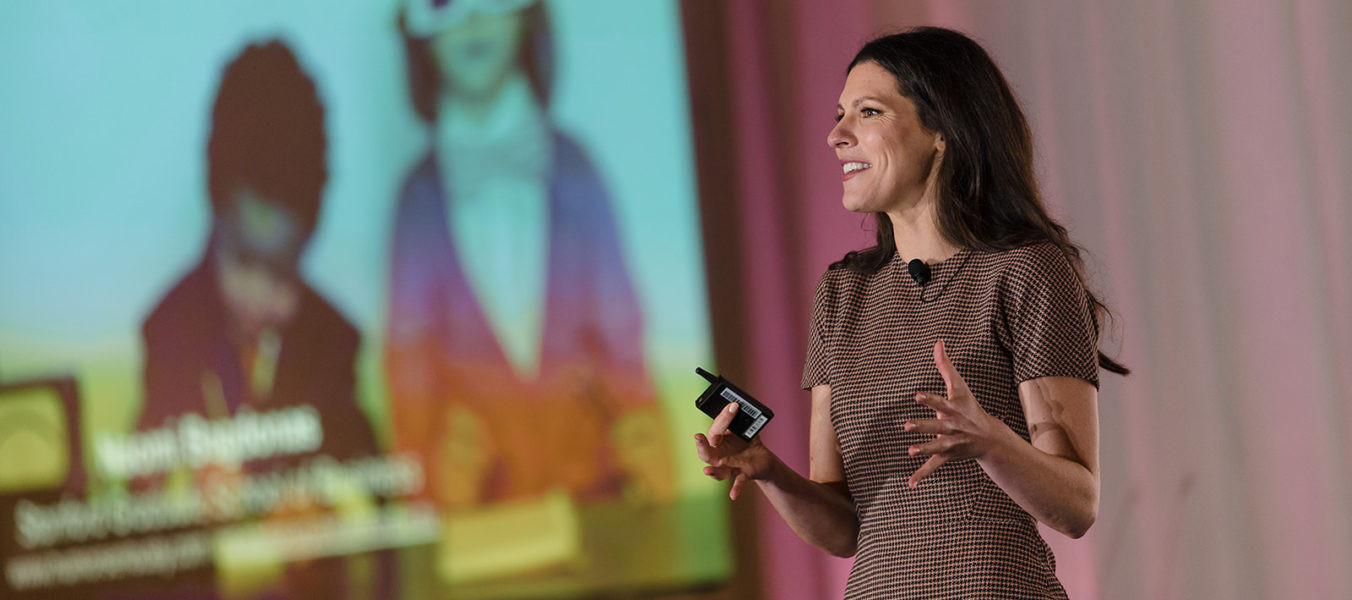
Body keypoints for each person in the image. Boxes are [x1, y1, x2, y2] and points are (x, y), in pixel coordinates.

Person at [694, 27, 1129, 599]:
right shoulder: (842, 294)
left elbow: (1077, 507)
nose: (836, 135)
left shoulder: (1026, 270)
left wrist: (989, 441)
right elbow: (844, 530)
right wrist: (768, 470)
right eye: (839, 115)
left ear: (942, 130)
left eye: (868, 112)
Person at [385, 0, 673, 514]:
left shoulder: (578, 172)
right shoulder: (416, 202)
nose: (473, 19)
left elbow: (623, 341)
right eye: (444, 4)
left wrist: (647, 444)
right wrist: (433, 471)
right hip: (484, 523)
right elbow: (409, 371)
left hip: (597, 507)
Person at [138, 39, 384, 599]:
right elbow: (137, 485)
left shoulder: (331, 339)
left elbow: (369, 475)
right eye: (245, 264)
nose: (261, 297)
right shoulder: (169, 329)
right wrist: (184, 493)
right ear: (216, 218)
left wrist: (328, 505)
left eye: (283, 273)